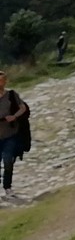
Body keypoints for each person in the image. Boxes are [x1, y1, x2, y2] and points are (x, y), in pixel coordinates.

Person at [0, 71, 28, 199]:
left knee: (8, 161)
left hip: (10, 134)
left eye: (2, 80)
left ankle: (7, 187)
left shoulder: (12, 95)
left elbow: (23, 107)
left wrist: (14, 116)